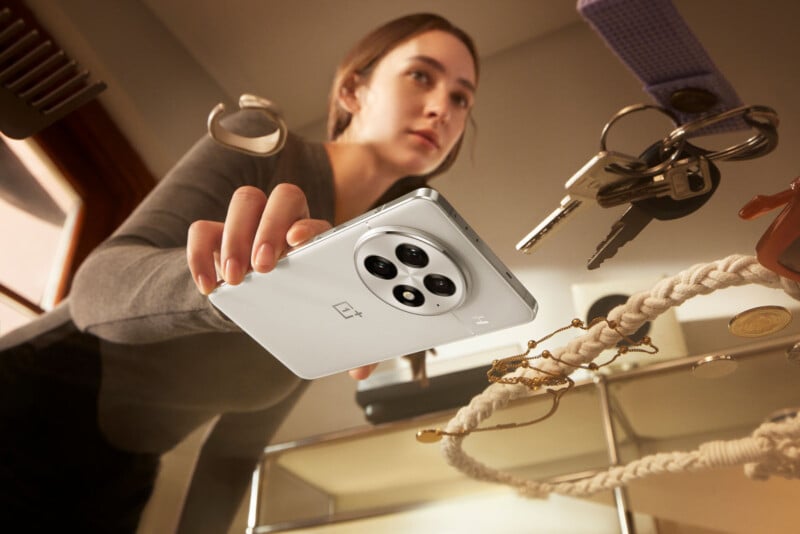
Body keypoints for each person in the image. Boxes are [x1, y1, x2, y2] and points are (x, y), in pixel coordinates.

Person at [0, 12, 479, 534]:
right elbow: (96, 291)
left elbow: (234, 451)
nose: (441, 109)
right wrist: (239, 291)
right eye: (421, 76)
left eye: (461, 98)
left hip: (117, 479)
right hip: (27, 403)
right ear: (353, 91)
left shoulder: (359, 269)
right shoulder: (262, 143)